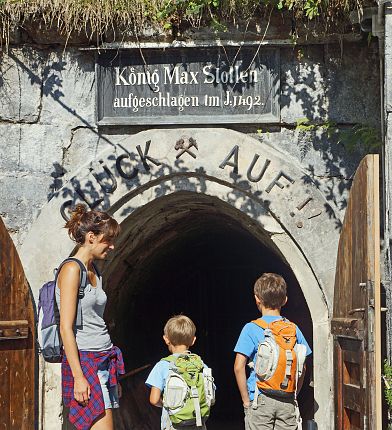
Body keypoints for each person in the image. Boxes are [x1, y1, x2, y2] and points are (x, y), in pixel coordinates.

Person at [57, 203, 125, 430]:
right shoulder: (71, 270)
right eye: (108, 240)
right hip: (86, 363)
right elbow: (65, 327)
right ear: (91, 237)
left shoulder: (95, 270)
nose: (113, 246)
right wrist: (78, 376)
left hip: (104, 360)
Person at [234, 273, 312, 430]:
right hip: (287, 400)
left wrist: (246, 401)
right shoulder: (293, 329)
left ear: (257, 299)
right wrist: (294, 394)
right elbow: (302, 366)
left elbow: (238, 366)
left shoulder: (251, 328)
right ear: (285, 300)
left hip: (260, 398)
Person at [145, 315, 212, 430]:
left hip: (172, 424)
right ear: (193, 340)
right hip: (198, 423)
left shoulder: (162, 366)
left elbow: (154, 399)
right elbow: (210, 395)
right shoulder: (201, 365)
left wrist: (168, 406)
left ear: (166, 339)